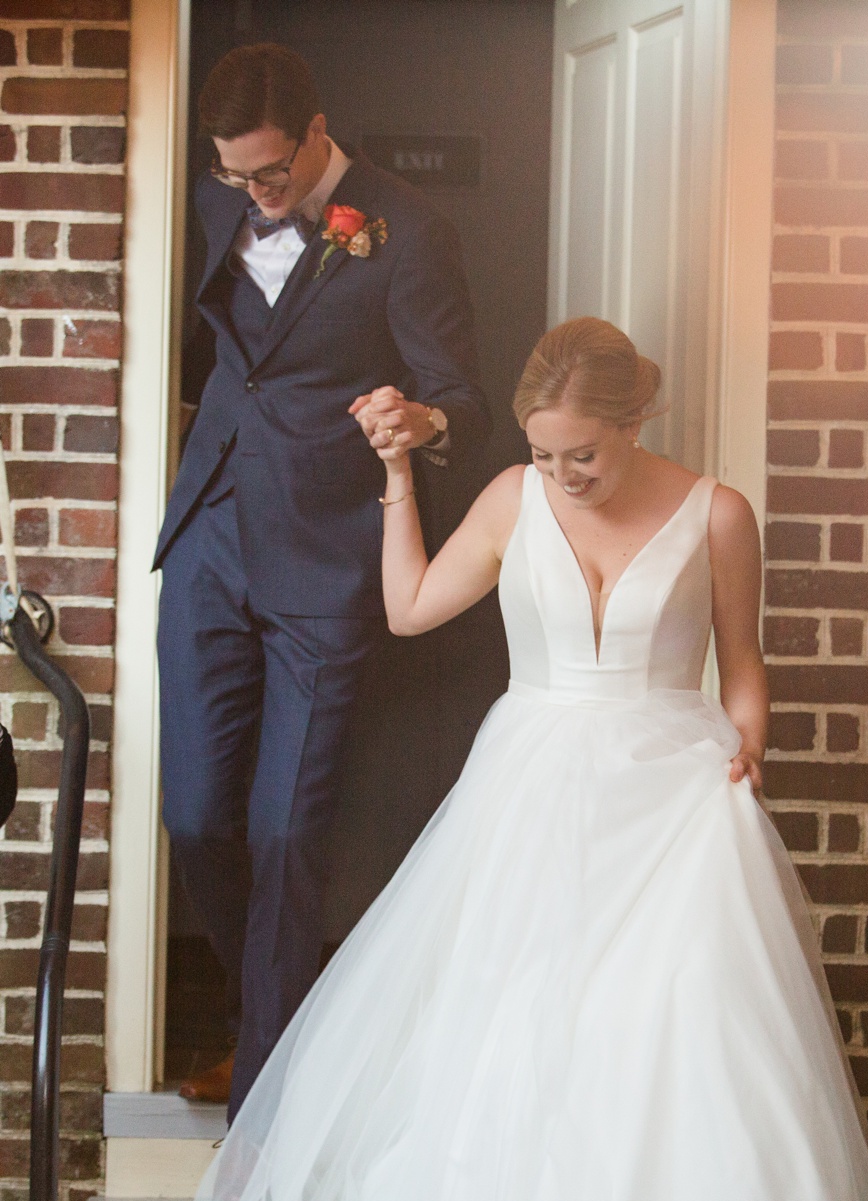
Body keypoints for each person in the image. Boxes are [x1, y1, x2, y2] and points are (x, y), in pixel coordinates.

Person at [164, 319, 868, 1201]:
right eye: (547, 454)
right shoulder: (510, 499)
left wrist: (746, 748)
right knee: (517, 1051)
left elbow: (744, 670)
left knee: (655, 1053)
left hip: (669, 802)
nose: (563, 475)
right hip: (533, 797)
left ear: (636, 420)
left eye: (583, 456)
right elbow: (408, 607)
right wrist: (398, 475)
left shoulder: (718, 515)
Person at [159, 44, 489, 1114]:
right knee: (199, 816)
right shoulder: (215, 206)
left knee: (287, 832)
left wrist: (418, 419)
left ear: (315, 130)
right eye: (236, 176)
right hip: (210, 536)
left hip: (327, 556)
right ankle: (271, 1015)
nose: (256, 195)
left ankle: (266, 1105)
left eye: (270, 173)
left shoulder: (408, 231)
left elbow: (461, 400)